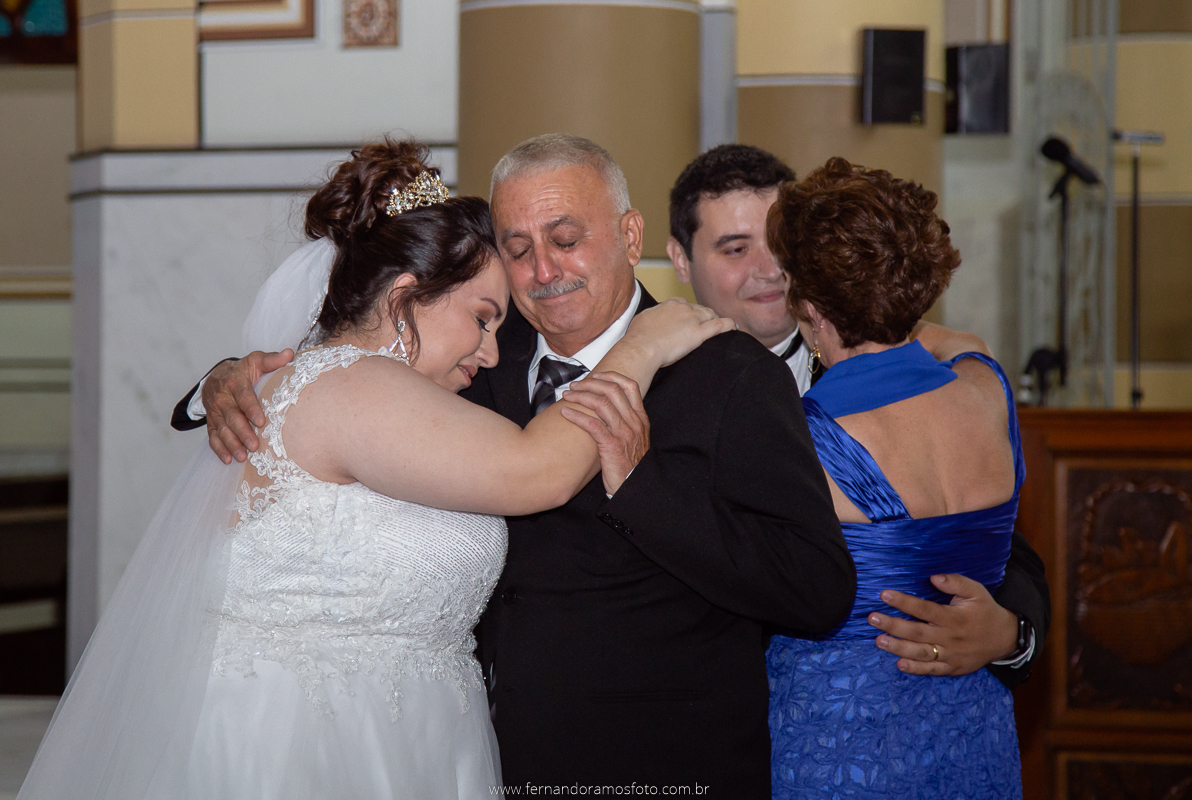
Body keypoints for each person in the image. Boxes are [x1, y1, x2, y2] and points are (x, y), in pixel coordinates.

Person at [19, 140, 730, 800]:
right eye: (482, 317)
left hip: (413, 732)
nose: (491, 350)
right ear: (402, 298)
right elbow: (538, 471)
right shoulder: (352, 383)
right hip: (302, 738)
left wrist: (222, 375)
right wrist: (638, 350)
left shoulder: (367, 385)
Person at [187, 134, 856, 798]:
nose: (543, 269)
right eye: (517, 249)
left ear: (630, 235)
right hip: (449, 751)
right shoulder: (463, 351)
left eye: (566, 239)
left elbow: (815, 591)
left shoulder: (732, 377)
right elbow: (325, 377)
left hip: (650, 766)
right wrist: (221, 381)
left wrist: (645, 491)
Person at [667, 143, 1048, 688]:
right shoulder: (669, 398)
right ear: (680, 260)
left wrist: (1012, 635)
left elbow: (1015, 558)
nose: (769, 271)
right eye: (735, 249)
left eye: (779, 250)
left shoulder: (928, 386)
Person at [763, 156, 1026, 798]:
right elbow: (951, 339)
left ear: (812, 306)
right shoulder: (986, 386)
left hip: (840, 732)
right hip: (974, 720)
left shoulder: (799, 437)